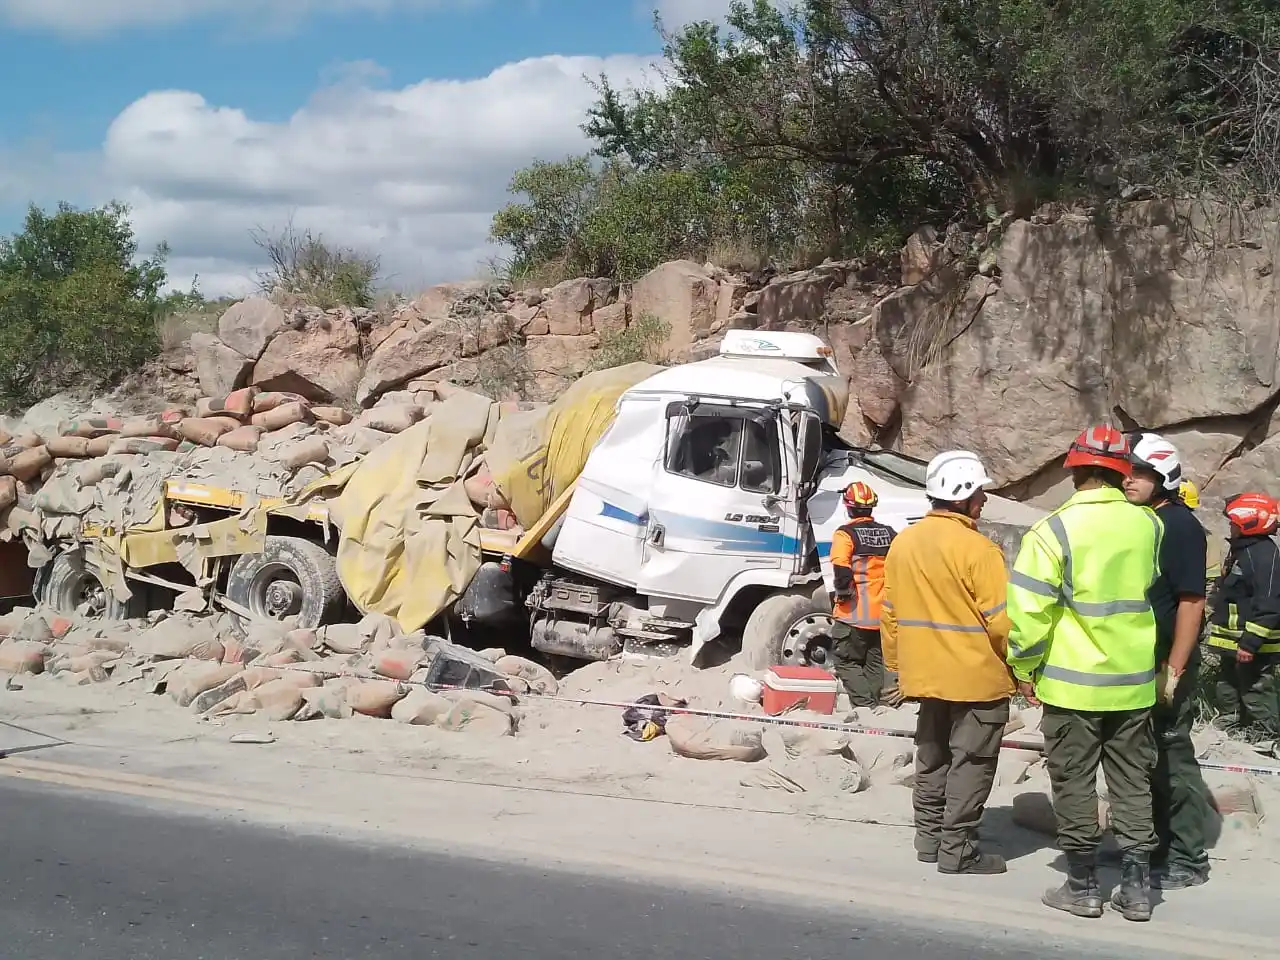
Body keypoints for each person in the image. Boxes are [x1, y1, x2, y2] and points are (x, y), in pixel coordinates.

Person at [1006, 424, 1161, 922]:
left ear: (1074, 468)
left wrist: (1024, 666)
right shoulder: (1149, 526)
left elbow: (1029, 614)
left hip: (1072, 685)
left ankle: (1082, 886)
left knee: (1073, 781)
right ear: (1121, 473)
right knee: (1132, 781)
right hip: (1134, 683)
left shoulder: (1051, 531)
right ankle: (1138, 890)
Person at [880, 450, 1013, 875]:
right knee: (971, 764)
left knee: (932, 757)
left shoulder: (904, 542)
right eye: (979, 493)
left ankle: (929, 839)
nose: (984, 500)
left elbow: (890, 614)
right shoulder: (979, 549)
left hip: (924, 676)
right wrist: (1023, 669)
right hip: (977, 679)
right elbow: (1001, 622)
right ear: (962, 497)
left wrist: (897, 668)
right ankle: (958, 851)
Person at [1123, 434, 1214, 890]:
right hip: (1143, 661)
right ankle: (1157, 846)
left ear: (1164, 478)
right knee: (1148, 756)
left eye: (1140, 473)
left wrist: (1174, 669)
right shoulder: (1147, 520)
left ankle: (1187, 857)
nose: (1129, 480)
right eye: (1128, 471)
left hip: (1166, 664)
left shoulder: (1178, 524)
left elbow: (1191, 601)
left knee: (1173, 755)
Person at [1207, 492, 1280, 742]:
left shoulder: (1263, 555)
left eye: (1233, 523)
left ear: (1247, 523)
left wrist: (1250, 643)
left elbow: (1270, 604)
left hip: (1251, 644)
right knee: (1227, 686)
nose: (1230, 526)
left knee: (1255, 689)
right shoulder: (1243, 551)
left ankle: (1266, 738)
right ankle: (1232, 730)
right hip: (1233, 642)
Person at [829, 481, 896, 707]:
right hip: (882, 615)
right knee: (875, 661)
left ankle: (865, 706)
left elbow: (841, 569)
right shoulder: (889, 534)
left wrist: (843, 598)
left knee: (844, 660)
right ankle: (876, 705)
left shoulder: (845, 534)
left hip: (854, 614)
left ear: (848, 507)